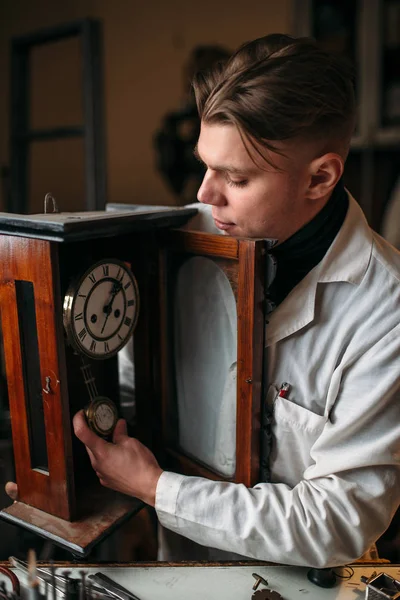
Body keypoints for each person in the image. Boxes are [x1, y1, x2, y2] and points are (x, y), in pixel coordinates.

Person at [7, 33, 400, 567]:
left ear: (320, 177)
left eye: (236, 177)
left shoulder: (385, 311)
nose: (203, 194)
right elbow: (135, 387)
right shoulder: (183, 244)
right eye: (205, 164)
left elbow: (334, 522)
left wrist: (158, 490)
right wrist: (63, 472)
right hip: (181, 569)